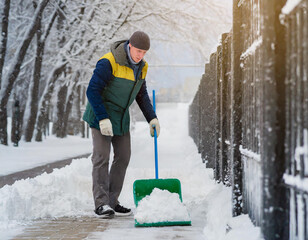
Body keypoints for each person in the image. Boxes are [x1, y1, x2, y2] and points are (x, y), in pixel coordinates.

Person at [83, 31, 160, 218]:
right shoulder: (109, 62)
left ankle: (111, 201)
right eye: (138, 50)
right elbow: (92, 90)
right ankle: (101, 204)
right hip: (100, 114)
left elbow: (141, 95)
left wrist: (152, 118)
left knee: (124, 156)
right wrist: (102, 118)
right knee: (101, 156)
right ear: (130, 45)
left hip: (121, 117)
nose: (140, 55)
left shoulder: (142, 67)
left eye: (144, 52)